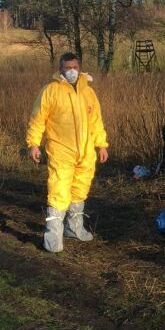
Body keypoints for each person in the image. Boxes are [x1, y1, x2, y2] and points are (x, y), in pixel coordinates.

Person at [26, 52, 109, 253]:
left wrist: (102, 144)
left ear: (79, 67)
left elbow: (96, 121)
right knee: (59, 191)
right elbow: (37, 119)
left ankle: (74, 228)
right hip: (61, 150)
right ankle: (53, 236)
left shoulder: (88, 92)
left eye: (75, 67)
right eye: (67, 67)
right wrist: (33, 144)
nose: (71, 71)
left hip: (86, 151)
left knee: (80, 189)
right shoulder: (50, 91)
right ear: (60, 68)